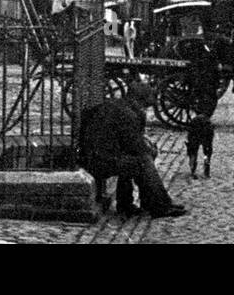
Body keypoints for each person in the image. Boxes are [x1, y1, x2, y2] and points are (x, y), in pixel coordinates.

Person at [78, 80, 186, 218]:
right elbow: (137, 147)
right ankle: (159, 206)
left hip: (92, 156)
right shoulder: (128, 114)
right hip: (98, 162)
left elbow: (129, 143)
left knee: (134, 160)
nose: (144, 109)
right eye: (145, 105)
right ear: (139, 100)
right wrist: (150, 149)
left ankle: (129, 204)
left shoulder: (118, 106)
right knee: (143, 161)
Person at [180, 22, 221, 178]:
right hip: (208, 93)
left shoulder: (196, 55)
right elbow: (217, 75)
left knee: (196, 128)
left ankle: (193, 161)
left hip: (198, 93)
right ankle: (206, 159)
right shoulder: (210, 55)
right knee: (206, 123)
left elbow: (189, 74)